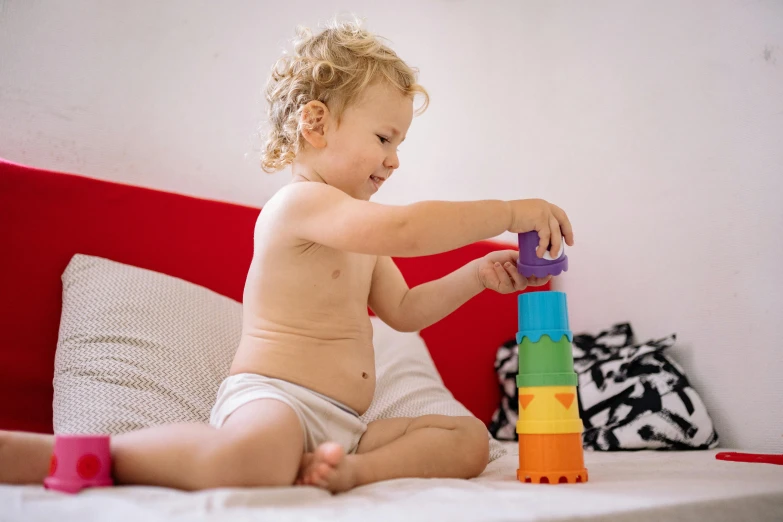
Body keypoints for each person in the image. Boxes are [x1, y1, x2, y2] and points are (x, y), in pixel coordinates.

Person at [0, 19, 573, 494]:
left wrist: (476, 275)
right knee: (255, 463)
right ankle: (87, 455)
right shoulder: (299, 207)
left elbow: (404, 309)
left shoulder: (355, 230)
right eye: (383, 138)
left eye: (400, 144)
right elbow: (403, 228)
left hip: (346, 427)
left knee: (469, 438)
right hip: (276, 404)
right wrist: (506, 210)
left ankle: (351, 473)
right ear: (316, 123)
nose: (394, 160)